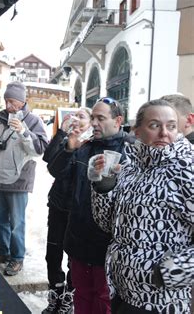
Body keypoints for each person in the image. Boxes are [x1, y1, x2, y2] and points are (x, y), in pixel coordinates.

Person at [90, 99, 193, 313]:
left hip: (161, 301)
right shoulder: (130, 167)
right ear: (137, 132)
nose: (164, 133)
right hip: (123, 291)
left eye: (171, 126)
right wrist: (104, 187)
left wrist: (174, 270)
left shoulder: (187, 169)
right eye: (155, 125)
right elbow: (107, 224)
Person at [47, 97, 134, 314]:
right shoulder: (84, 147)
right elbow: (56, 172)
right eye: (93, 117)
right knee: (82, 298)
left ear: (118, 120)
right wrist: (68, 148)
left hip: (108, 247)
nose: (94, 123)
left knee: (104, 302)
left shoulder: (131, 150)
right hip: (78, 239)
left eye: (100, 118)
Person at [0, 81, 49, 276]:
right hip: (1, 177)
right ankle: (4, 251)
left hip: (19, 179)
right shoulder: (1, 120)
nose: (8, 106)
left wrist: (23, 131)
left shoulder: (33, 121)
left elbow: (40, 149)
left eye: (13, 102)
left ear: (23, 102)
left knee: (17, 223)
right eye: (6, 101)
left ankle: (17, 257)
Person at [42, 108, 92, 313]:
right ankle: (56, 292)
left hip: (78, 211)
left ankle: (69, 298)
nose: (76, 120)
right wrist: (62, 134)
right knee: (52, 254)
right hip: (58, 205)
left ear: (90, 123)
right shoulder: (66, 140)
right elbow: (49, 161)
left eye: (82, 117)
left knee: (73, 257)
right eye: (74, 116)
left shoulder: (92, 145)